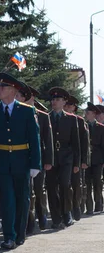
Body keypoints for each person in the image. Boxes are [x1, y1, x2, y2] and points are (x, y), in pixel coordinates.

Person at [0, 73, 41, 249]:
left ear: (13, 90)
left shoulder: (26, 110)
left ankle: (20, 233)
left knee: (22, 198)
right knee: (7, 199)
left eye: (3, 87)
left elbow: (34, 139)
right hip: (1, 161)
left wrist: (35, 164)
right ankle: (9, 236)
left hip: (21, 160)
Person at [15, 82, 53, 233]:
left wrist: (48, 161)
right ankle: (28, 223)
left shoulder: (42, 116)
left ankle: (42, 216)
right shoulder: (16, 114)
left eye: (18, 96)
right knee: (27, 191)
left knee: (39, 189)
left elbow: (47, 141)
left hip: (39, 159)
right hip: (22, 157)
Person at [46, 87, 80, 229]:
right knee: (51, 187)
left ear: (64, 102)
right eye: (53, 99)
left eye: (58, 99)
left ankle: (67, 213)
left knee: (65, 185)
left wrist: (77, 163)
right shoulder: (46, 117)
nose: (54, 102)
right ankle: (56, 217)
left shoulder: (71, 119)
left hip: (67, 157)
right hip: (51, 157)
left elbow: (76, 142)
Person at [64, 96, 90, 220]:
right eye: (66, 106)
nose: (67, 108)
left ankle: (76, 206)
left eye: (69, 106)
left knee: (76, 184)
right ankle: (67, 209)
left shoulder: (79, 121)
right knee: (65, 185)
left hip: (77, 159)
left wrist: (84, 161)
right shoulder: (61, 119)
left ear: (74, 108)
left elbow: (84, 143)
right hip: (65, 159)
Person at [84, 102, 104, 214]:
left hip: (97, 159)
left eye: (88, 112)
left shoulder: (101, 127)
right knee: (87, 184)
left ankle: (99, 205)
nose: (86, 114)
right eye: (86, 112)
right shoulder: (83, 126)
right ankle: (89, 207)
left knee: (97, 182)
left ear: (94, 114)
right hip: (87, 160)